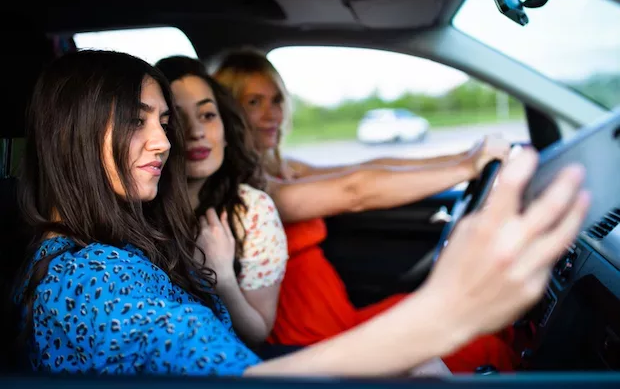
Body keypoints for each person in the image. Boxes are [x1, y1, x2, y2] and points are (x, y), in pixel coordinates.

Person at [16, 50, 589, 377]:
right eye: (139, 120)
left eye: (163, 122)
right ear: (74, 136)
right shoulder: (88, 280)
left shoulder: (119, 242)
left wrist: (469, 159)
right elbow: (240, 377)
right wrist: (443, 315)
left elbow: (360, 175)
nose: (166, 140)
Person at [212, 49, 519, 369]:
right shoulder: (252, 191)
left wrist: (463, 158)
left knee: (470, 310)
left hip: (337, 315)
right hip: (310, 335)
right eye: (253, 102)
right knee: (477, 343)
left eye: (276, 100)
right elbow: (355, 190)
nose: (271, 113)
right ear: (229, 111)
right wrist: (466, 168)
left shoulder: (279, 166)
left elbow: (369, 165)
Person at [154, 56, 288, 348]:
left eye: (207, 115)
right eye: (176, 119)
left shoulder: (251, 210)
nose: (196, 132)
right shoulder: (134, 204)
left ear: (226, 131)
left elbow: (258, 331)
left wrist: (223, 278)